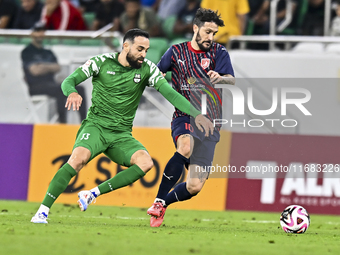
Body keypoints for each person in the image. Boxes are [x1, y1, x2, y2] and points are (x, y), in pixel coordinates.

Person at [30, 28, 214, 224]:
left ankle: (91, 194)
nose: (144, 54)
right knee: (77, 161)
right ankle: (42, 211)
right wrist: (72, 92)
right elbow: (70, 80)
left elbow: (170, 94)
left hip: (121, 135)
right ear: (126, 46)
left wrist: (196, 114)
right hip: (96, 128)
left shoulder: (147, 69)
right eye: (140, 49)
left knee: (146, 163)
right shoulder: (100, 62)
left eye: (146, 50)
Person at [146, 8, 235, 227]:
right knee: (185, 146)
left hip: (211, 123)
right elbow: (157, 74)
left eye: (214, 33)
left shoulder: (219, 52)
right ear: (195, 28)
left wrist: (220, 78)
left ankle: (162, 206)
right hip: (185, 115)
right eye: (207, 32)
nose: (210, 37)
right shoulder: (176, 52)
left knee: (195, 186)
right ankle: (158, 200)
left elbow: (232, 80)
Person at [21, 22, 87, 123]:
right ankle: (62, 123)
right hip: (36, 86)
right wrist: (48, 67)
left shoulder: (48, 52)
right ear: (32, 34)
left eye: (42, 31)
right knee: (60, 90)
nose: (40, 34)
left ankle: (84, 123)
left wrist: (41, 66)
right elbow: (34, 71)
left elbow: (57, 67)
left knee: (79, 89)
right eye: (38, 31)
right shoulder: (27, 51)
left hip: (51, 83)